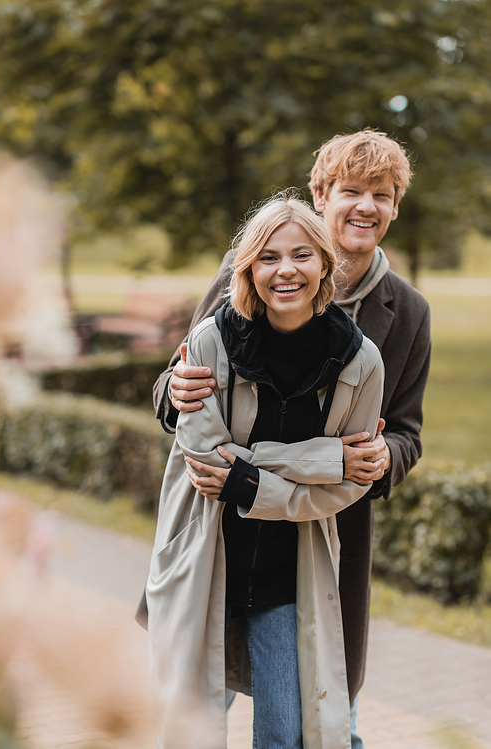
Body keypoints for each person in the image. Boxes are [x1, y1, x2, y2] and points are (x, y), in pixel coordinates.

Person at [142, 129, 431, 749]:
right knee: (192, 711)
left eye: (381, 195)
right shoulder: (246, 270)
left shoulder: (405, 314)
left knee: (318, 725)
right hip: (216, 536)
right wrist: (173, 392)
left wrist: (384, 458)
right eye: (350, 191)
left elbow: (406, 431)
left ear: (395, 207)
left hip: (322, 545)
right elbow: (186, 377)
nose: (365, 207)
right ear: (320, 195)